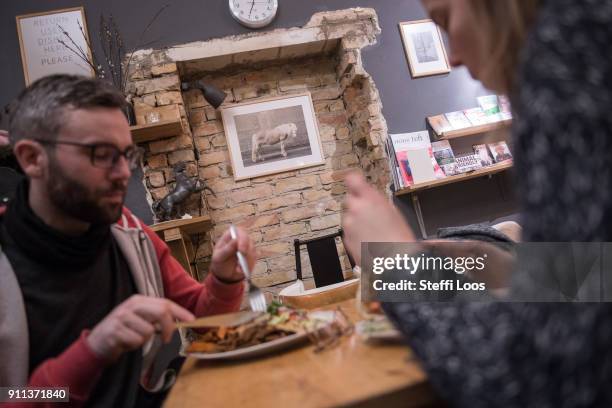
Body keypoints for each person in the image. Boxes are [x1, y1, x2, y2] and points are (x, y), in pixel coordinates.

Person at [343, 0, 612, 406]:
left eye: (445, 19)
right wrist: (498, 262)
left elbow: (529, 377)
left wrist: (396, 263)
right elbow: (598, 277)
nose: (450, 55)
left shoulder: (562, 68)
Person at [0, 74, 256, 407]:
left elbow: (202, 322)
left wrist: (224, 277)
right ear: (32, 158)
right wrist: (91, 353)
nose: (123, 172)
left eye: (126, 155)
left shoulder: (130, 232)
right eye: (101, 154)